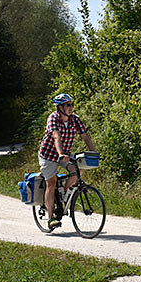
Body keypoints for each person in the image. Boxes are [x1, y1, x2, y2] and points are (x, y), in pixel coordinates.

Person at [37, 93, 96, 230]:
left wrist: (94, 153)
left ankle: (62, 192)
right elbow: (56, 136)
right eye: (67, 105)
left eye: (71, 104)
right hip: (48, 155)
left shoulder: (75, 119)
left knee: (78, 170)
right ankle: (51, 218)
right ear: (60, 107)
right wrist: (60, 153)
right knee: (51, 183)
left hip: (65, 154)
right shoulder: (53, 118)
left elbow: (85, 137)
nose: (71, 107)